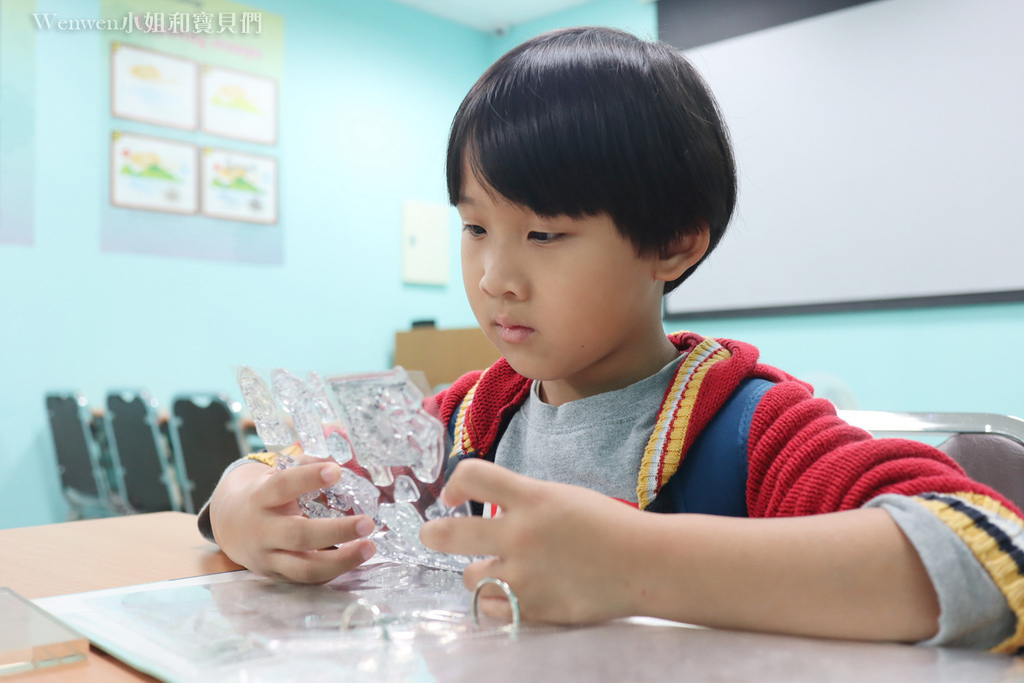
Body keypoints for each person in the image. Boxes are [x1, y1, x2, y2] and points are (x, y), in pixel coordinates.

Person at [203, 27, 1024, 652]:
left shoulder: (748, 429)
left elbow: (997, 550)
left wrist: (635, 563)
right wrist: (238, 507)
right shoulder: (468, 418)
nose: (495, 277)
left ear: (673, 243)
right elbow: (288, 477)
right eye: (475, 227)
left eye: (545, 235)